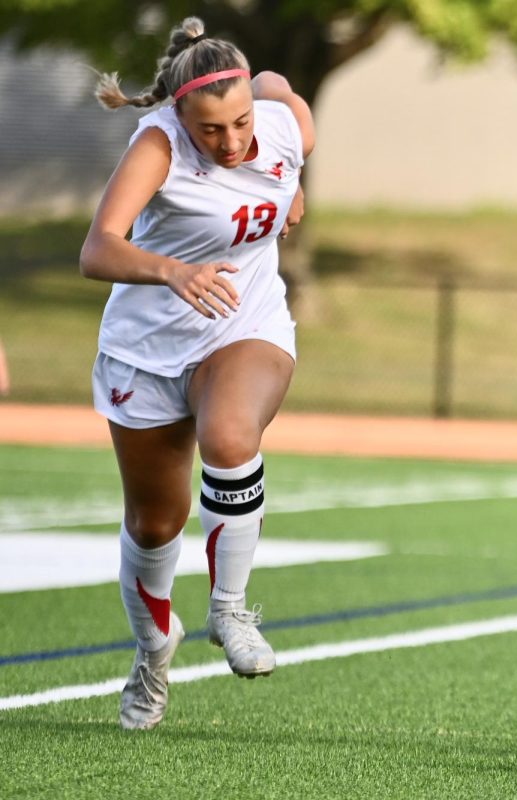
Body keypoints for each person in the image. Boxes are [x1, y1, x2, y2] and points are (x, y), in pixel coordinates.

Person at [80, 16, 315, 730]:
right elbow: (98, 250)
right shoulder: (158, 145)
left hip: (244, 324)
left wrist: (289, 192)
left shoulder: (279, 123)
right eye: (212, 130)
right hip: (146, 351)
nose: (233, 141)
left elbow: (279, 97)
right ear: (180, 115)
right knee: (156, 523)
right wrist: (171, 271)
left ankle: (231, 611)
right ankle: (154, 652)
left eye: (241, 121)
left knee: (231, 435)